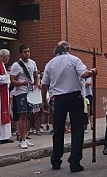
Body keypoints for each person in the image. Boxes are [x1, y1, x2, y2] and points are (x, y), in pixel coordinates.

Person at [41, 40, 97, 173]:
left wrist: (44, 101)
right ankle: (74, 162)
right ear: (69, 49)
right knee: (77, 130)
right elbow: (84, 74)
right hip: (74, 97)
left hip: (59, 99)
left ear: (57, 50)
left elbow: (44, 84)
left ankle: (56, 159)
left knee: (58, 130)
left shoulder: (50, 63)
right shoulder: (74, 59)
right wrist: (93, 71)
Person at [10, 44, 38, 149]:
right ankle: (21, 138)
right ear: (21, 53)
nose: (27, 53)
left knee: (27, 116)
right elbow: (12, 80)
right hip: (20, 92)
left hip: (30, 92)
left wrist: (37, 84)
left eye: (28, 51)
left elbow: (36, 76)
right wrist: (21, 83)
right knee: (22, 116)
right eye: (25, 52)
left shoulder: (33, 63)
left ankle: (25, 137)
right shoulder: (16, 65)